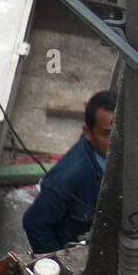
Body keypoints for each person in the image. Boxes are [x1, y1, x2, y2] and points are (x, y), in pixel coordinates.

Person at [23, 90, 116, 253]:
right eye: (106, 134)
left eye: (119, 132)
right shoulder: (68, 177)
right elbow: (34, 223)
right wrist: (58, 264)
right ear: (88, 132)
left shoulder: (124, 154)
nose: (115, 142)